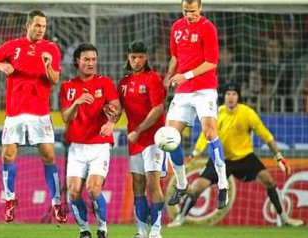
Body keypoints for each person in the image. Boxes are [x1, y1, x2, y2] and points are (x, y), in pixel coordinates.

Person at [167, 83, 304, 227]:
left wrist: (278, 156)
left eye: (234, 94)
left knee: (269, 180)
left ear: (238, 97)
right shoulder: (216, 112)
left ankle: (284, 218)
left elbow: (266, 135)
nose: (231, 97)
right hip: (221, 159)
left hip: (244, 158)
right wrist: (195, 152)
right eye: (228, 94)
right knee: (197, 187)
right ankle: (180, 218)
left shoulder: (247, 113)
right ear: (223, 96)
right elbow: (204, 136)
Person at [0, 10, 67, 223]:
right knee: (7, 155)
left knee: (48, 156)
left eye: (44, 26)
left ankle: (57, 203)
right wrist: (0, 65)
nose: (40, 30)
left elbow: (55, 79)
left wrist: (47, 66)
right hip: (15, 112)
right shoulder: (12, 46)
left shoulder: (51, 49)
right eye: (37, 25)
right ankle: (10, 200)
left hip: (40, 113)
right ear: (27, 25)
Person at [163, 0, 228, 209]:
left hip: (204, 88)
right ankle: (182, 184)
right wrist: (168, 77)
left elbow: (212, 62)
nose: (189, 14)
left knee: (210, 132)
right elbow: (175, 56)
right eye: (185, 11)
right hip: (183, 91)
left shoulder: (208, 28)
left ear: (200, 8)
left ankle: (223, 184)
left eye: (192, 11)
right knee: (169, 138)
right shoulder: (176, 27)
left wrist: (186, 75)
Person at [59, 43, 121, 238]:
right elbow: (66, 118)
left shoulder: (105, 83)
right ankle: (84, 231)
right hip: (76, 148)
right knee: (74, 191)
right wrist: (76, 103)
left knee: (93, 188)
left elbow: (116, 109)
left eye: (94, 59)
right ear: (77, 61)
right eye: (86, 59)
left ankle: (102, 228)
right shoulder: (68, 87)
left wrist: (111, 123)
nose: (91, 63)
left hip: (99, 145)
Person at [118, 41, 165, 238]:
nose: (136, 61)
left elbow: (158, 109)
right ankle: (141, 231)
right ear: (128, 58)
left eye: (140, 57)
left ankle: (156, 230)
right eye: (133, 57)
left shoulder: (153, 79)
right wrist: (109, 118)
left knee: (153, 184)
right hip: (134, 141)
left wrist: (138, 130)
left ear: (146, 57)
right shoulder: (123, 83)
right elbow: (116, 109)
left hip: (153, 139)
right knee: (137, 184)